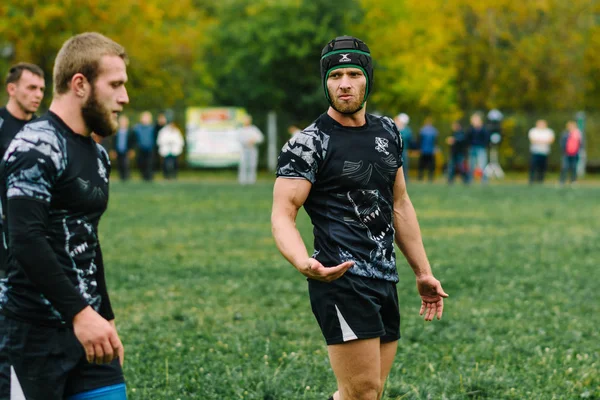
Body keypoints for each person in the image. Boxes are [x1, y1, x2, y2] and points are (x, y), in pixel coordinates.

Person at [271, 35, 448, 400]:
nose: (345, 84)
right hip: (341, 278)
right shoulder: (309, 143)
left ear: (368, 78)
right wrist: (302, 261)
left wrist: (423, 271)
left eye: (354, 74)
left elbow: (400, 204)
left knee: (365, 393)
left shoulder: (388, 132)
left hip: (385, 279)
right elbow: (283, 214)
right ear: (326, 82)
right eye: (336, 76)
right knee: (363, 392)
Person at [0, 32, 129, 400]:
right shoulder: (35, 145)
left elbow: (88, 235)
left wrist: (103, 314)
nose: (124, 97)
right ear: (80, 84)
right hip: (32, 336)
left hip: (87, 328)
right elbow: (26, 240)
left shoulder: (97, 154)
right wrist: (79, 314)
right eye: (116, 85)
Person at [0, 62, 45, 399]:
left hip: (31, 243)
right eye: (31, 88)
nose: (37, 95)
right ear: (11, 89)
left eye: (42, 89)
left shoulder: (43, 131)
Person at [156, 111, 184, 180]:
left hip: (174, 151)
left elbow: (180, 141)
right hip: (166, 151)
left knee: (175, 164)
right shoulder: (163, 131)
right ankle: (166, 176)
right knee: (165, 164)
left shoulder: (176, 131)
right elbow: (159, 141)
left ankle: (174, 175)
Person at [237, 114, 264, 184]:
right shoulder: (240, 130)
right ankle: (242, 181)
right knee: (243, 165)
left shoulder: (253, 129)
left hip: (252, 149)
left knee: (252, 165)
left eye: (248, 120)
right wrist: (246, 142)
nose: (246, 121)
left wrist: (254, 141)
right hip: (244, 149)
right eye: (245, 120)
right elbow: (239, 139)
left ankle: (251, 181)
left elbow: (261, 138)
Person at [528, 119, 555, 184]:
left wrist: (539, 141)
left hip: (544, 152)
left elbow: (551, 140)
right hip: (535, 152)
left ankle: (540, 180)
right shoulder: (533, 131)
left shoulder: (549, 131)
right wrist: (544, 141)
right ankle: (531, 180)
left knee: (542, 167)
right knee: (533, 166)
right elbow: (532, 140)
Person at [466, 113, 490, 184]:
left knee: (482, 164)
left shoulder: (483, 129)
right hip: (472, 148)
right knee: (471, 165)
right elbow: (467, 138)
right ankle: (469, 180)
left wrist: (483, 145)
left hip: (481, 148)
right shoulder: (470, 129)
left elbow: (486, 138)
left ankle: (484, 180)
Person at [112, 115, 136, 181]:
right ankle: (121, 177)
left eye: (124, 121)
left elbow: (133, 141)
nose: (122, 123)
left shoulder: (130, 131)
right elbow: (113, 141)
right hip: (118, 150)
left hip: (126, 150)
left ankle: (127, 177)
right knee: (119, 164)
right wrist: (113, 150)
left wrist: (132, 150)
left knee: (126, 164)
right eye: (121, 121)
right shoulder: (116, 131)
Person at [559, 120, 583, 186]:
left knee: (574, 167)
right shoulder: (565, 134)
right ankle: (562, 181)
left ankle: (573, 181)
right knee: (565, 167)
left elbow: (581, 143)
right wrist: (564, 151)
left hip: (575, 153)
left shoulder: (578, 134)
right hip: (566, 153)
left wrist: (580, 150)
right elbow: (562, 143)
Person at [133, 111, 155, 181]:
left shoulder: (152, 128)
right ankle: (144, 176)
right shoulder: (137, 128)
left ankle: (150, 177)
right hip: (141, 148)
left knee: (149, 163)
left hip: (150, 148)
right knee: (142, 163)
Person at [417, 116, 438, 182]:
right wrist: (435, 148)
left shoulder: (422, 130)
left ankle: (420, 177)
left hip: (424, 150)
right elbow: (436, 141)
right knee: (431, 165)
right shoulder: (434, 130)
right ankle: (430, 178)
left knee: (422, 165)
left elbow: (419, 140)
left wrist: (419, 148)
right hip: (430, 150)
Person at [393, 113, 413, 182]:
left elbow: (409, 140)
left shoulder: (407, 130)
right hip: (394, 150)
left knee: (404, 166)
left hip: (403, 150)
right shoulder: (394, 127)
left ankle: (404, 180)